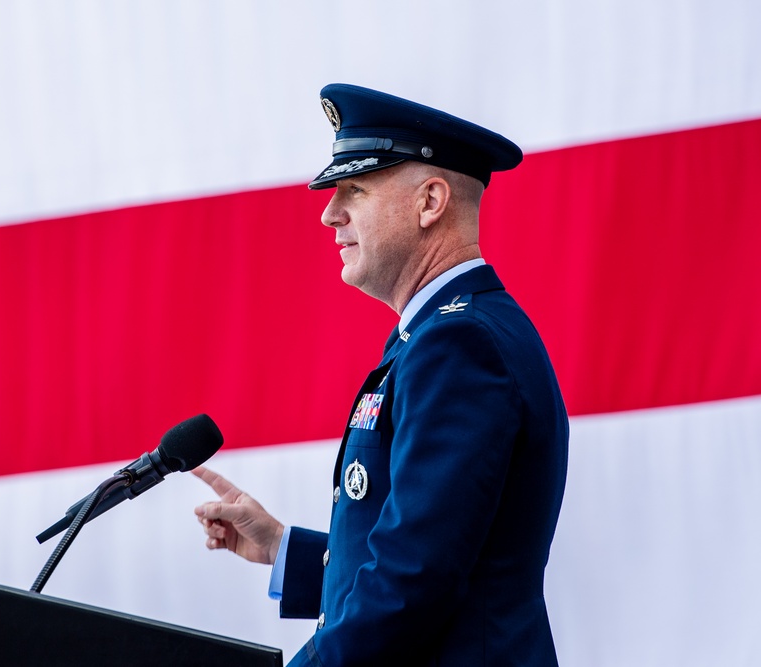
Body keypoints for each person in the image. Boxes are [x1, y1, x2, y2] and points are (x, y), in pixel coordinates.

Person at [193, 83, 569, 666]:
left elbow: (412, 581)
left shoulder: (460, 344)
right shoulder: (437, 335)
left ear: (430, 201)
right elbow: (427, 559)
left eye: (355, 189)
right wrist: (284, 550)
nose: (329, 213)